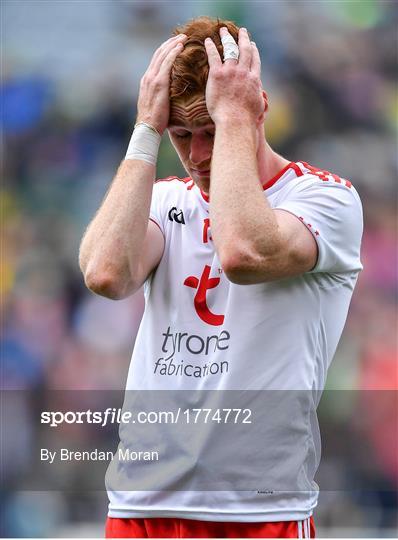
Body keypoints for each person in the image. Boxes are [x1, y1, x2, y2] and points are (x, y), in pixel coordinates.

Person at [79, 16, 363, 539]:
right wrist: (145, 130)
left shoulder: (326, 198)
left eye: (211, 131)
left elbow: (243, 251)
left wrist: (234, 116)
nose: (199, 154)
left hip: (257, 511)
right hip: (141, 502)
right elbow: (105, 274)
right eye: (182, 135)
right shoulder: (165, 200)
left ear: (259, 109)